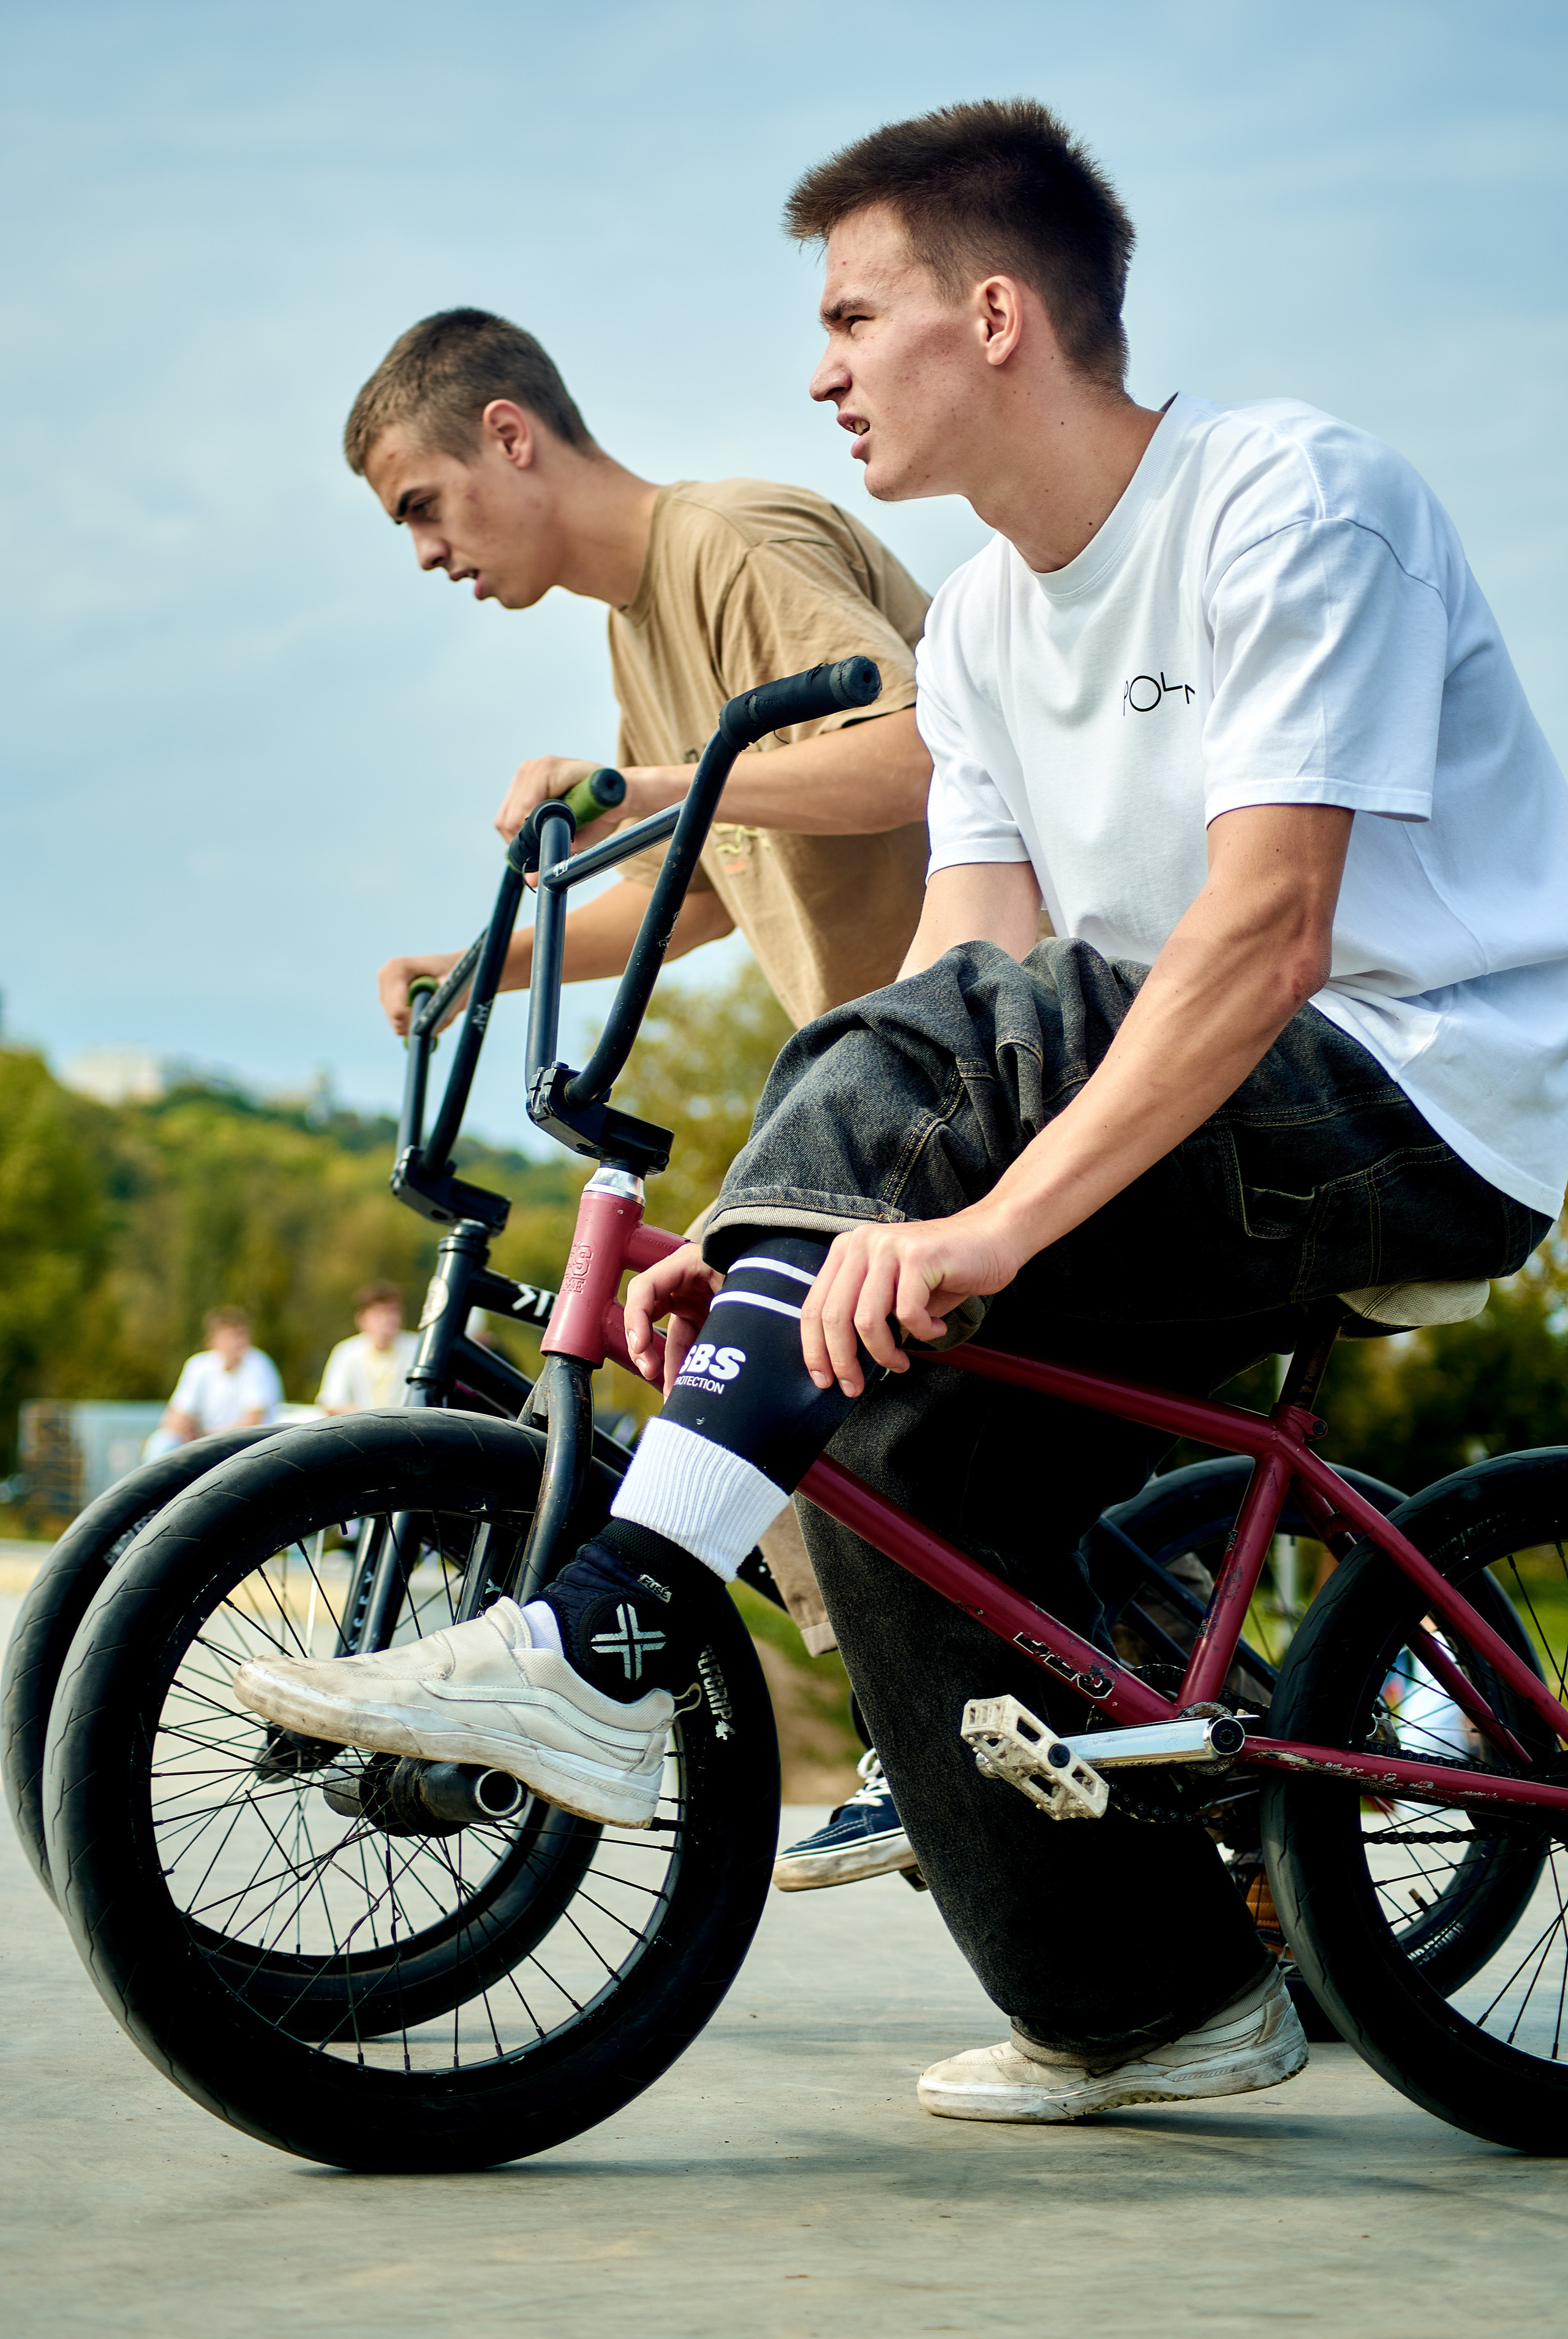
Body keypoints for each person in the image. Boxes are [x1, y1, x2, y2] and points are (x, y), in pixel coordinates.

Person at [235, 99, 1567, 2127]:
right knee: (872, 1426)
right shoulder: (993, 636)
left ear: (998, 314)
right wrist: (762, 1253)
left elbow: (1270, 927)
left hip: (1427, 1101)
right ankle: (1148, 2003)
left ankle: (596, 1637)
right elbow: (965, 972)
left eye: (855, 315)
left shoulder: (1294, 500)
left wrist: (988, 1227)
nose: (817, 366)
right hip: (1184, 1113)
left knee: (959, 1135)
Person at [349, 301, 937, 1874]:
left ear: (509, 435)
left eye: (421, 503)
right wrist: (486, 967)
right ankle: (938, 1718)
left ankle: (918, 1729)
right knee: (762, 1366)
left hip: (970, 1047)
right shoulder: (637, 632)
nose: (423, 552)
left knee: (772, 1357)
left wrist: (660, 784)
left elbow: (922, 749)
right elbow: (701, 887)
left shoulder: (728, 541)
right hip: (875, 1074)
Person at [160, 1308, 282, 1443]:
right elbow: (174, 1416)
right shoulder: (198, 1365)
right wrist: (186, 1427)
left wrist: (205, 1435)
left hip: (250, 1447)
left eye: (242, 1335)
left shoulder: (258, 1364)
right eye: (231, 1336)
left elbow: (253, 1425)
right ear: (213, 1340)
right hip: (209, 1443)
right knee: (163, 1442)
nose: (239, 1342)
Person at [317, 1280, 419, 1413]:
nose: (389, 1319)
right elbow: (330, 1402)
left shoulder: (418, 1348)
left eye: (394, 1311)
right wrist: (365, 1416)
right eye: (380, 1313)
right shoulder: (347, 1352)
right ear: (362, 1318)